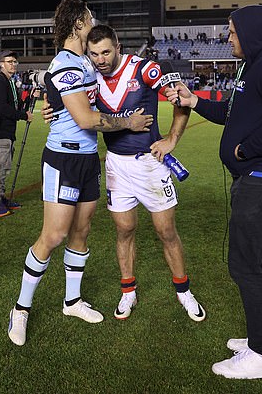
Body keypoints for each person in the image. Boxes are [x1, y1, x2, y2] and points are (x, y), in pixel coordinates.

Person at [7, 0, 153, 347]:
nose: (93, 22)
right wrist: (128, 123)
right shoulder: (65, 64)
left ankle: (71, 301)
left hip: (88, 159)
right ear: (77, 24)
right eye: (89, 18)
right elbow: (87, 118)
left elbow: (86, 96)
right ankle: (21, 309)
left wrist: (52, 103)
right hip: (64, 160)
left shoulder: (87, 62)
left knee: (81, 232)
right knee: (54, 235)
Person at [165, 5, 262, 379]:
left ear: (251, 32)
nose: (228, 38)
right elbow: (233, 113)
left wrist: (244, 151)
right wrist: (195, 102)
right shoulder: (255, 64)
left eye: (232, 32)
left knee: (244, 265)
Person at [86, 24, 205, 321]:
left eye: (105, 52)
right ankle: (128, 292)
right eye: (94, 54)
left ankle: (184, 292)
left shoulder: (143, 69)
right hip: (115, 164)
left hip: (150, 164)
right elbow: (77, 111)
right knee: (124, 230)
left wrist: (172, 139)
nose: (100, 59)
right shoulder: (91, 79)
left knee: (166, 232)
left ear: (117, 46)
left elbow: (180, 97)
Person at [0, 50, 35, 217]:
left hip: (6, 132)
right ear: (1, 64)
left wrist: (29, 99)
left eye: (15, 61)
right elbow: (2, 108)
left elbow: (17, 106)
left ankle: (1, 198)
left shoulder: (10, 82)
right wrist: (23, 115)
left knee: (5, 167)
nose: (13, 64)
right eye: (9, 61)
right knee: (1, 168)